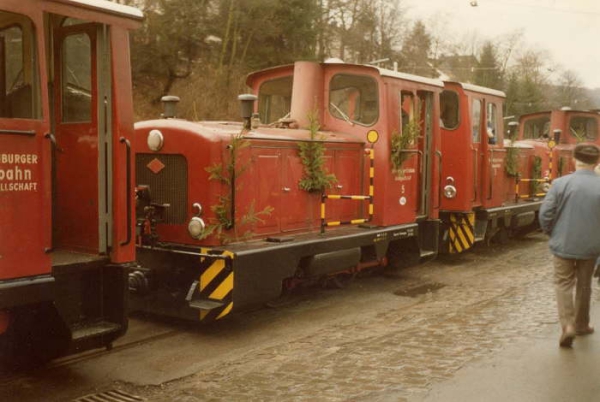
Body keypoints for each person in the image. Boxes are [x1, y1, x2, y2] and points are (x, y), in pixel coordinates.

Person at [539, 143, 600, 347]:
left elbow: (545, 214)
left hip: (563, 243)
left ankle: (567, 326)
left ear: (575, 160)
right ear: (597, 162)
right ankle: (581, 324)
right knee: (584, 285)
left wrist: (552, 232)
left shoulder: (560, 183)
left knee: (563, 284)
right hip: (592, 246)